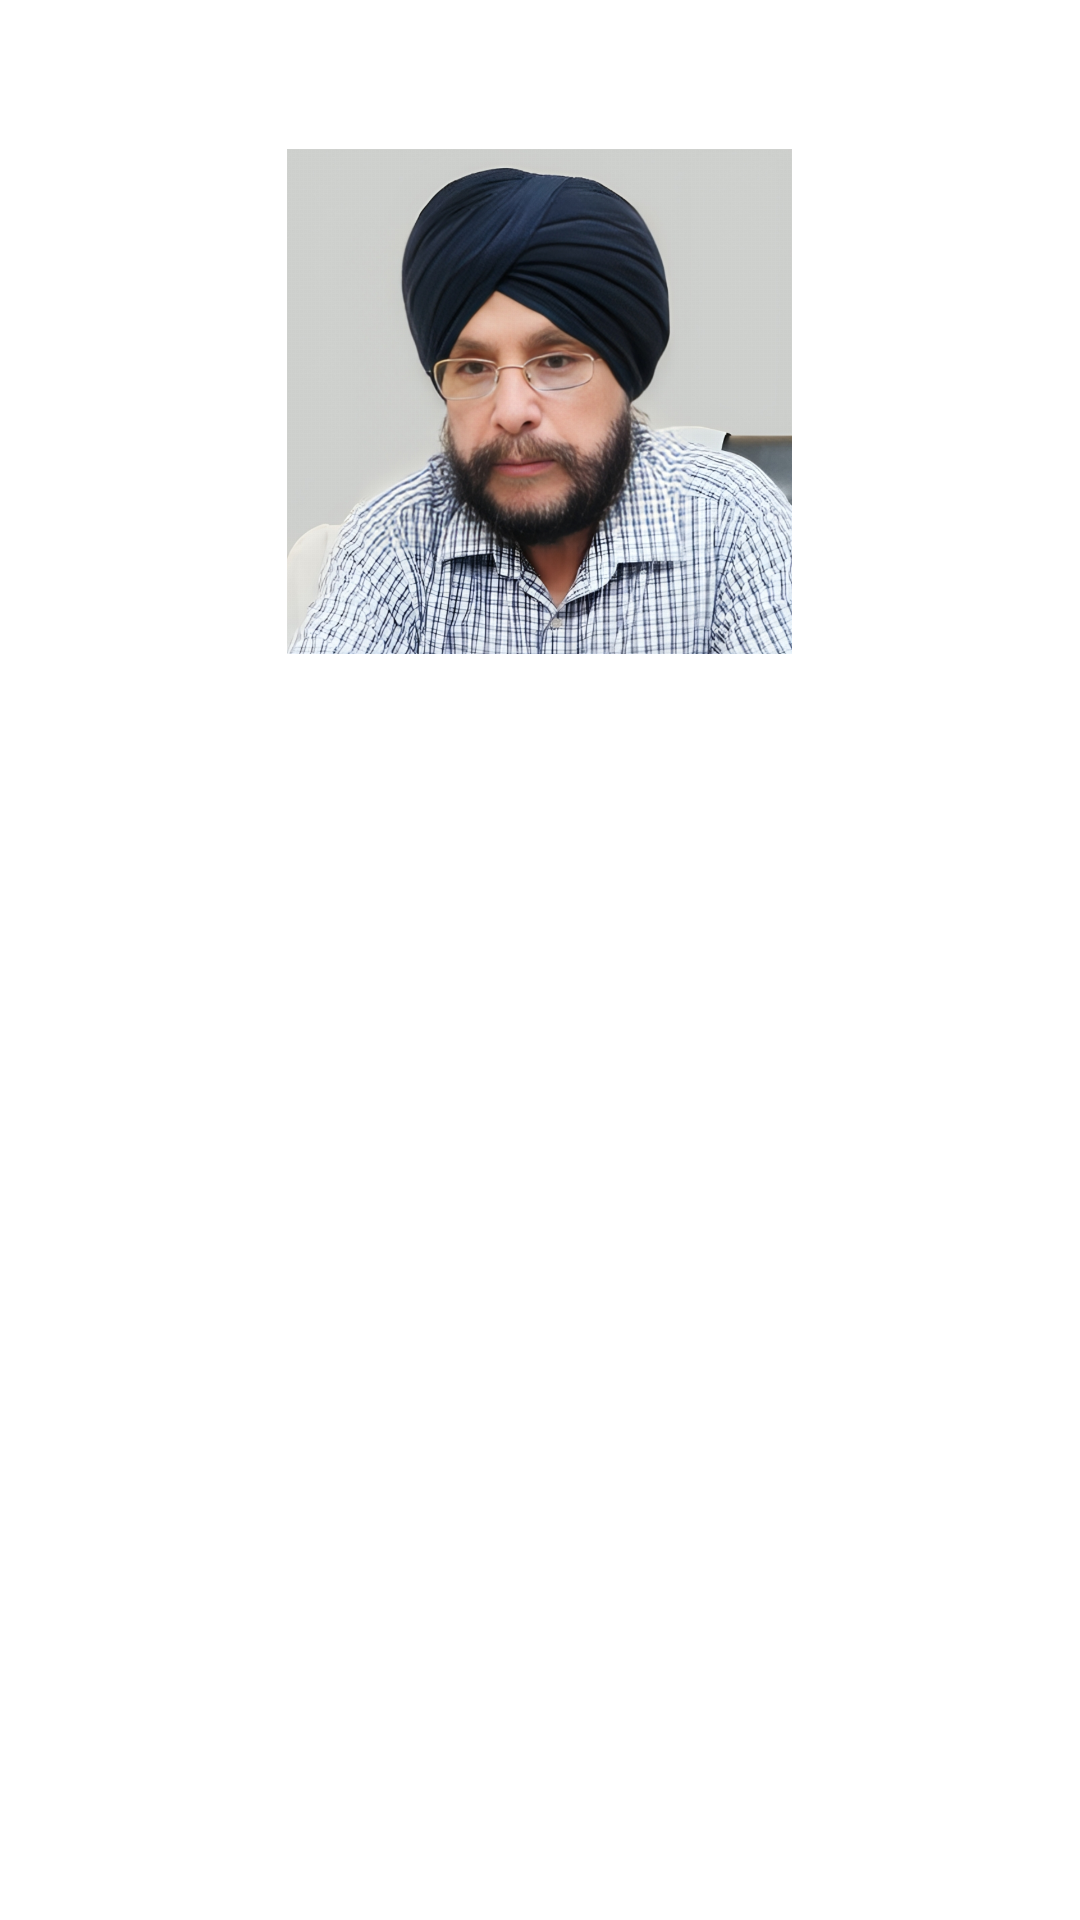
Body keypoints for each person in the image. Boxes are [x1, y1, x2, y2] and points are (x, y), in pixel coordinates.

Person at [290, 168, 791, 654]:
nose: (511, 412)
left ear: (625, 372)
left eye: (555, 361)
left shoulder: (730, 520)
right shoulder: (394, 535)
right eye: (474, 367)